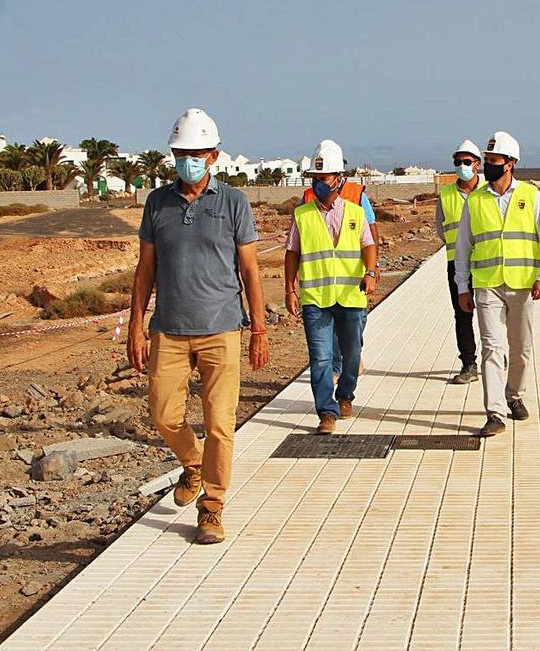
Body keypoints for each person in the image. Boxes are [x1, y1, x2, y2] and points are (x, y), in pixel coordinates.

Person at [128, 108, 269, 544]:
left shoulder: (233, 203)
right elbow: (144, 269)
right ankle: (192, 464)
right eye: (181, 152)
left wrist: (259, 330)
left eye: (196, 152)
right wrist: (136, 325)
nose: (188, 159)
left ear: (213, 155)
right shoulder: (157, 203)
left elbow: (250, 270)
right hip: (168, 328)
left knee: (220, 423)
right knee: (163, 414)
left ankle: (211, 507)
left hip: (221, 329)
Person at [455, 131, 540, 436]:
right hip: (487, 286)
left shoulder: (530, 196)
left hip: (524, 285)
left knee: (522, 349)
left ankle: (514, 396)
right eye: (486, 160)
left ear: (510, 164)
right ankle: (495, 413)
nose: (488, 166)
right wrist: (463, 286)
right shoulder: (475, 201)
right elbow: (463, 248)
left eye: (494, 161)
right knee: (491, 347)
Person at [284, 139, 379, 434]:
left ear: (339, 179)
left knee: (352, 353)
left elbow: (369, 244)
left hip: (351, 295)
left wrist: (372, 272)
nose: (319, 183)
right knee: (321, 357)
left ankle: (345, 395)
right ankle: (326, 412)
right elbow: (292, 253)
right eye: (315, 178)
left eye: (323, 178)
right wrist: (290, 289)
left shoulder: (355, 212)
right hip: (316, 299)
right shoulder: (302, 215)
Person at [436, 139, 483, 384]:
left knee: (492, 313)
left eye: (466, 162)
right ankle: (469, 363)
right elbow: (441, 229)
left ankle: (496, 357)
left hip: (487, 262)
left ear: (477, 164)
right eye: (457, 162)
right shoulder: (445, 195)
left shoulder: (489, 192)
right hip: (457, 263)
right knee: (462, 314)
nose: (461, 166)